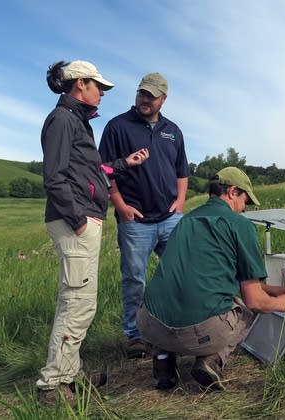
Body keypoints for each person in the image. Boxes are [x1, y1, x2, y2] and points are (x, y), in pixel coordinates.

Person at [37, 60, 149, 406]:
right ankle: (52, 386)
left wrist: (123, 164)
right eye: (98, 86)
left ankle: (70, 374)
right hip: (76, 222)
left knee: (80, 301)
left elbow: (91, 169)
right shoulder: (63, 120)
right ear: (80, 84)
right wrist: (79, 219)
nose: (102, 93)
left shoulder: (77, 122)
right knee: (76, 303)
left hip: (83, 219)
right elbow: (54, 177)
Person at [136, 167, 285, 391]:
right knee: (244, 310)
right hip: (198, 334)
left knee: (175, 299)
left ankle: (164, 358)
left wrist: (269, 288)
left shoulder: (185, 221)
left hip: (149, 325)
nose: (244, 209)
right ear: (233, 192)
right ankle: (211, 360)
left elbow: (200, 277)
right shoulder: (239, 224)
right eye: (245, 201)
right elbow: (255, 301)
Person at [98, 72, 189, 359]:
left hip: (170, 218)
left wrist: (181, 200)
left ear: (163, 98)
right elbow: (103, 170)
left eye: (151, 95)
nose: (144, 100)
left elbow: (182, 171)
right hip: (135, 220)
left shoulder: (172, 130)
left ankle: (178, 327)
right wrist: (120, 205)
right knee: (134, 279)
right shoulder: (117, 127)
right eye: (141, 93)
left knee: (181, 272)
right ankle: (136, 336)